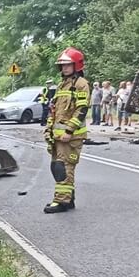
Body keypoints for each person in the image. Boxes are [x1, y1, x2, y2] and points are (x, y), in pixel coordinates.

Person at [44, 47, 89, 213]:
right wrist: (49, 131)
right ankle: (69, 199)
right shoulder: (63, 83)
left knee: (64, 167)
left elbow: (82, 109)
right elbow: (55, 110)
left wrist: (69, 131)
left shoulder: (81, 84)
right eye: (62, 65)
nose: (64, 68)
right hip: (58, 136)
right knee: (58, 166)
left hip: (71, 137)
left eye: (68, 65)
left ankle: (62, 201)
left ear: (76, 65)